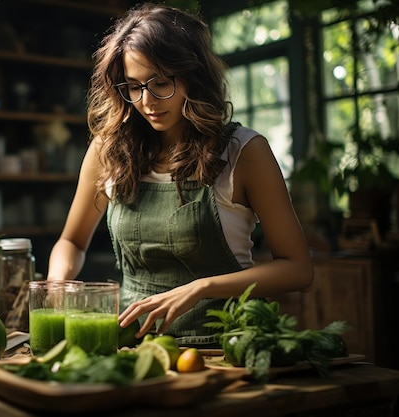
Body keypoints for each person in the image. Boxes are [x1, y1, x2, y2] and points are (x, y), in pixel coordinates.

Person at [47, 2, 313, 345]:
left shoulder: (244, 152)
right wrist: (55, 283)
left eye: (160, 83)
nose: (147, 102)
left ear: (192, 75)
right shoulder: (108, 151)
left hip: (225, 349)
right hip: (135, 346)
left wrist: (202, 287)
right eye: (133, 86)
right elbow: (71, 242)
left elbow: (298, 268)